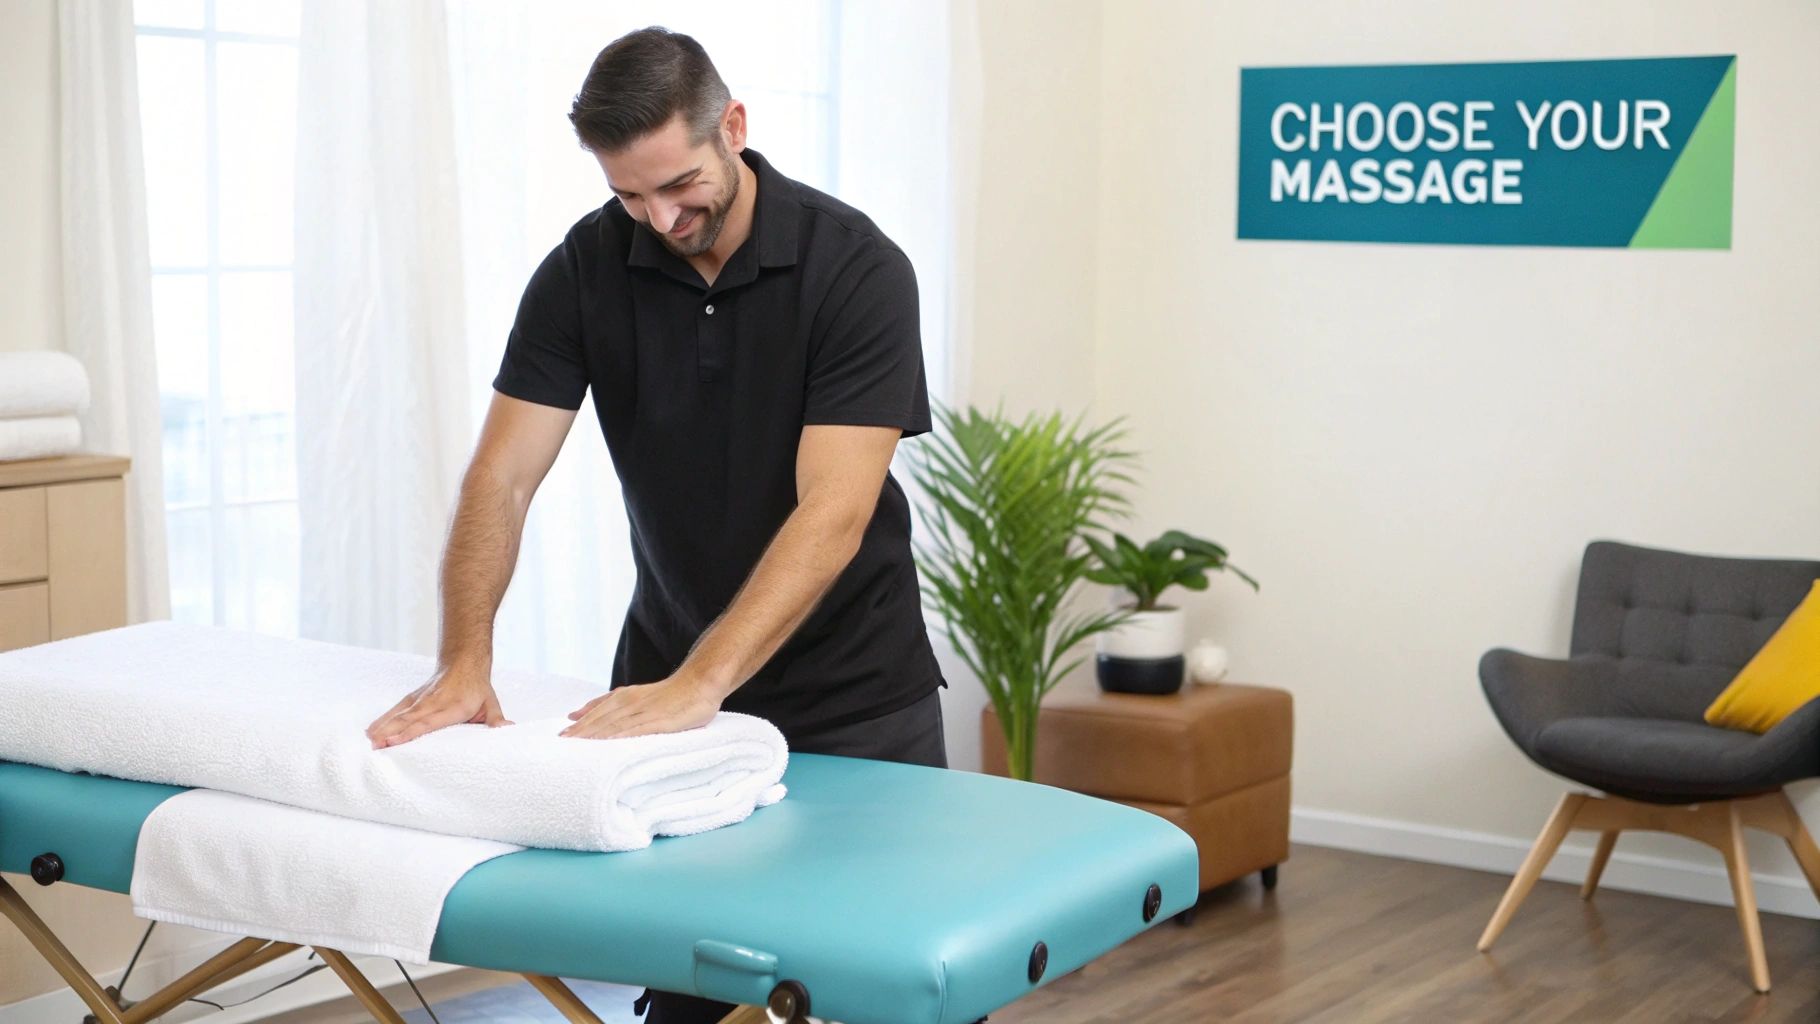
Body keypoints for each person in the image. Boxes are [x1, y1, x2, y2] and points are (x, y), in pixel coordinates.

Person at [363, 25, 948, 1024]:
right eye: (630, 195)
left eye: (680, 185)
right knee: (686, 1002)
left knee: (887, 1001)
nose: (661, 217)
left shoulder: (855, 268)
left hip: (857, 704)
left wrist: (698, 684)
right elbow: (501, 475)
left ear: (734, 127)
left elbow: (836, 508)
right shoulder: (587, 268)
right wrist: (467, 659)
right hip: (676, 707)